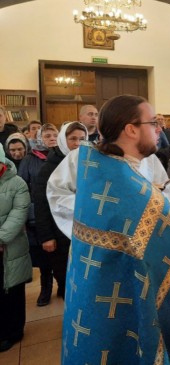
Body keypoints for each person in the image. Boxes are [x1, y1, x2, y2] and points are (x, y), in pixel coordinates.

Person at [60, 95, 170, 364]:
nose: (159, 128)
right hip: (123, 299)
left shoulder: (96, 170)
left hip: (92, 302)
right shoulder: (133, 191)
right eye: (152, 123)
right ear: (131, 129)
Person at [32, 122, 87, 301]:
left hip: (83, 230)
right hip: (58, 232)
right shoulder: (49, 167)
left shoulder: (88, 163)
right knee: (65, 276)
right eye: (72, 139)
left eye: (82, 139)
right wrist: (46, 237)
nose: (78, 143)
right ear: (63, 140)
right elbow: (40, 205)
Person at [18, 123, 58, 306]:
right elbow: (23, 188)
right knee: (44, 257)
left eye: (54, 134)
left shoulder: (62, 157)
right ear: (40, 138)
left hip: (58, 213)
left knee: (61, 254)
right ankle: (45, 289)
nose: (51, 138)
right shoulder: (29, 159)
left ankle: (63, 286)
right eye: (47, 135)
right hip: (38, 214)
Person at [0, 144, 31, 353]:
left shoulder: (16, 182)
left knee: (12, 289)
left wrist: (1, 239)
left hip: (10, 246)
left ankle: (13, 330)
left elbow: (19, 212)